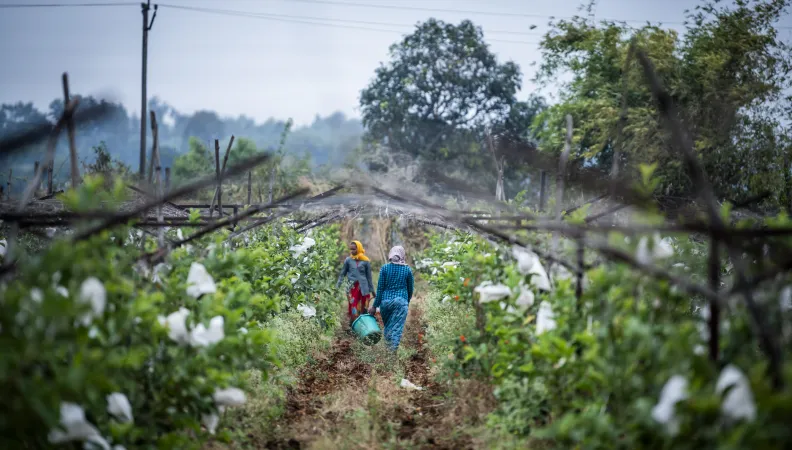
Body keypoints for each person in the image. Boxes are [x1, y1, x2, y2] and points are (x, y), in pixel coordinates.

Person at [369, 246, 414, 351]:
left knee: (388, 327)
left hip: (385, 303)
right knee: (396, 328)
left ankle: (388, 350)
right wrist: (406, 302)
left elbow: (380, 290)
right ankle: (392, 353)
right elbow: (410, 289)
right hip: (401, 302)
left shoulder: (384, 268)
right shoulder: (407, 270)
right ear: (402, 255)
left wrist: (375, 306)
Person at [337, 240, 375, 326]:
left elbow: (369, 277)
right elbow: (342, 273)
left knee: (364, 307)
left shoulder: (366, 261)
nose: (352, 251)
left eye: (354, 249)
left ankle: (364, 325)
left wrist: (372, 291)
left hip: (363, 287)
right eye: (351, 249)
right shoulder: (348, 260)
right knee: (353, 306)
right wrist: (338, 285)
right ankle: (353, 325)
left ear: (358, 249)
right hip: (352, 287)